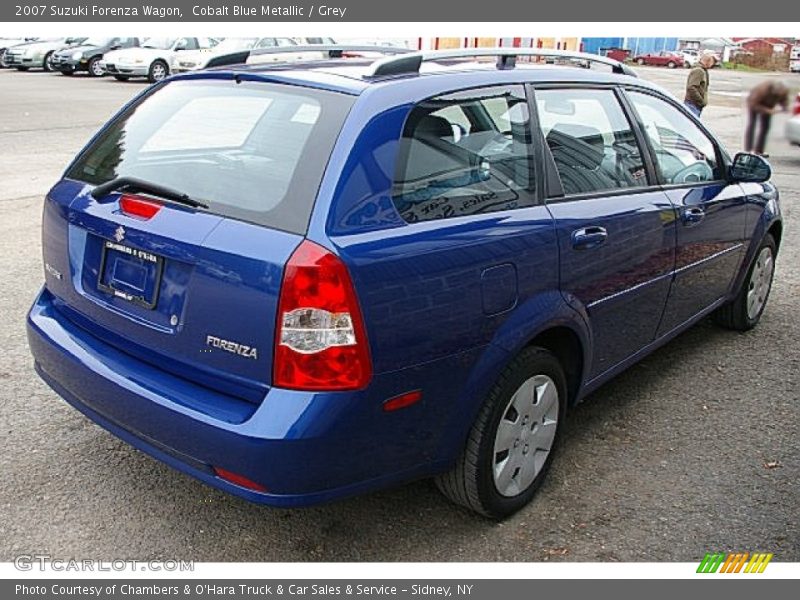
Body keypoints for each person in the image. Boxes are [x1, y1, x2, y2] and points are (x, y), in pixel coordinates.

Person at [745, 80, 790, 157]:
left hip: (769, 105)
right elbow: (754, 105)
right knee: (752, 124)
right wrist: (768, 111)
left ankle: (759, 151)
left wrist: (785, 107)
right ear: (773, 91)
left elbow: (784, 100)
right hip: (754, 103)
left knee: (765, 127)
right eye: (776, 95)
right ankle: (748, 150)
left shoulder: (783, 91)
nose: (778, 96)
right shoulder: (762, 90)